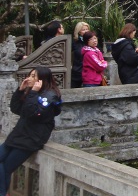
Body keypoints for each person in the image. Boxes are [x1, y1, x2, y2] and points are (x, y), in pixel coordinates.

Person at [0, 67, 62, 196]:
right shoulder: (32, 93)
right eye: (30, 75)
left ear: (42, 80)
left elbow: (32, 113)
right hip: (18, 134)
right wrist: (20, 90)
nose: (30, 78)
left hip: (31, 139)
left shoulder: (50, 96)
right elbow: (16, 109)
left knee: (6, 168)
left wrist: (33, 92)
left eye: (34, 76)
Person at [71, 21, 90, 88]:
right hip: (77, 72)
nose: (86, 31)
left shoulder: (92, 41)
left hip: (89, 72)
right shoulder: (75, 42)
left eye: (87, 29)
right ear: (79, 31)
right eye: (83, 30)